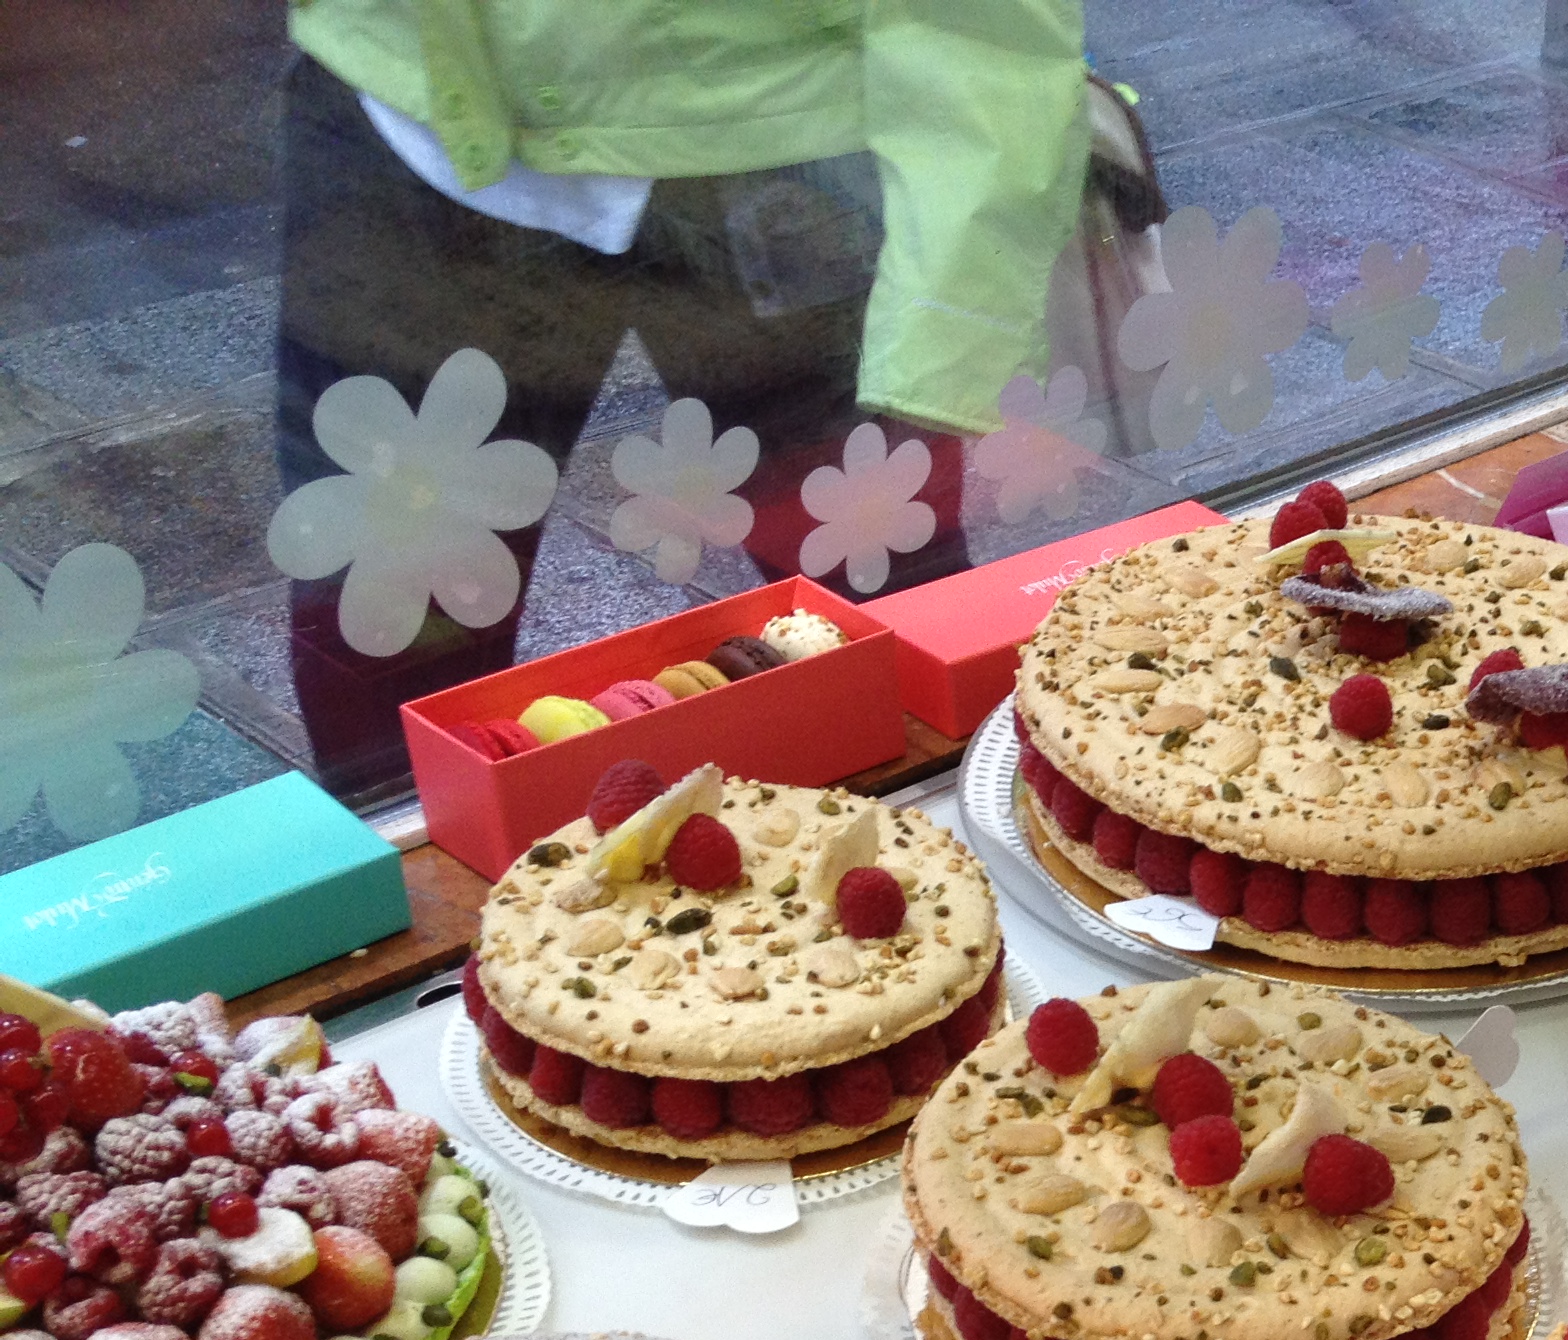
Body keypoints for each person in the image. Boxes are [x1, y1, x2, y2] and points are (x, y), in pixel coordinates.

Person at [276, 0, 1104, 797]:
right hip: (406, 110)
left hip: (777, 146)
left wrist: (949, 327)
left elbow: (991, 31)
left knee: (892, 618)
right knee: (385, 655)